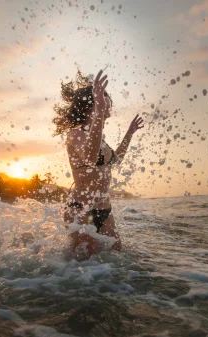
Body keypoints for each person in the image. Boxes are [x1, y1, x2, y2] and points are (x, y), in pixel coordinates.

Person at [52, 69, 144, 258]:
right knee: (85, 261)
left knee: (117, 255)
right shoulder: (75, 134)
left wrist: (130, 132)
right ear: (88, 107)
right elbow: (89, 159)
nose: (108, 106)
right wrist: (100, 113)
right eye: (102, 101)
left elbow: (115, 160)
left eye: (106, 102)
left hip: (104, 209)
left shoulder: (100, 138)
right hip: (81, 208)